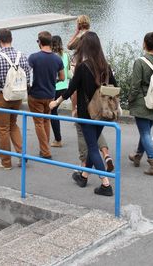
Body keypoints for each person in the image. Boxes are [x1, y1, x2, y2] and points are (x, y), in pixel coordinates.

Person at [50, 32, 116, 196]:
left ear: (85, 47)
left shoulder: (83, 67)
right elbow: (115, 88)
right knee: (93, 144)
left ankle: (106, 184)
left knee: (92, 148)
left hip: (86, 115)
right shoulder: (105, 67)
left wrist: (56, 102)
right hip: (102, 114)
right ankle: (84, 176)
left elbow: (71, 89)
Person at [67, 15, 114, 171]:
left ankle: (92, 172)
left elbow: (72, 89)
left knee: (84, 133)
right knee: (94, 135)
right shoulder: (101, 59)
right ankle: (104, 157)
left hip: (84, 104)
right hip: (100, 104)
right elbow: (114, 86)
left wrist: (71, 106)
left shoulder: (81, 55)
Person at [0, 28, 30, 170]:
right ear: (11, 39)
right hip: (17, 96)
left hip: (2, 97)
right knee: (13, 124)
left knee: (3, 129)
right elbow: (28, 78)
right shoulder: (22, 56)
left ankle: (5, 162)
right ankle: (22, 155)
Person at [128, 29, 153, 176]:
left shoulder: (140, 62)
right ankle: (137, 156)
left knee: (144, 132)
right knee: (145, 131)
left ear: (144, 44)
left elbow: (135, 86)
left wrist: (130, 100)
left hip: (142, 102)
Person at [28, 31, 64, 159]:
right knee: (46, 121)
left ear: (40, 42)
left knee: (38, 123)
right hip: (50, 94)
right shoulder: (57, 59)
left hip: (36, 94)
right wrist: (53, 80)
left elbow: (27, 74)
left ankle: (45, 151)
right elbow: (62, 77)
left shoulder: (33, 57)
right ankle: (45, 148)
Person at [50, 35, 69, 147]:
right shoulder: (66, 55)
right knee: (53, 111)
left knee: (52, 112)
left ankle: (58, 139)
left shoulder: (52, 57)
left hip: (55, 87)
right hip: (64, 87)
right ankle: (57, 138)